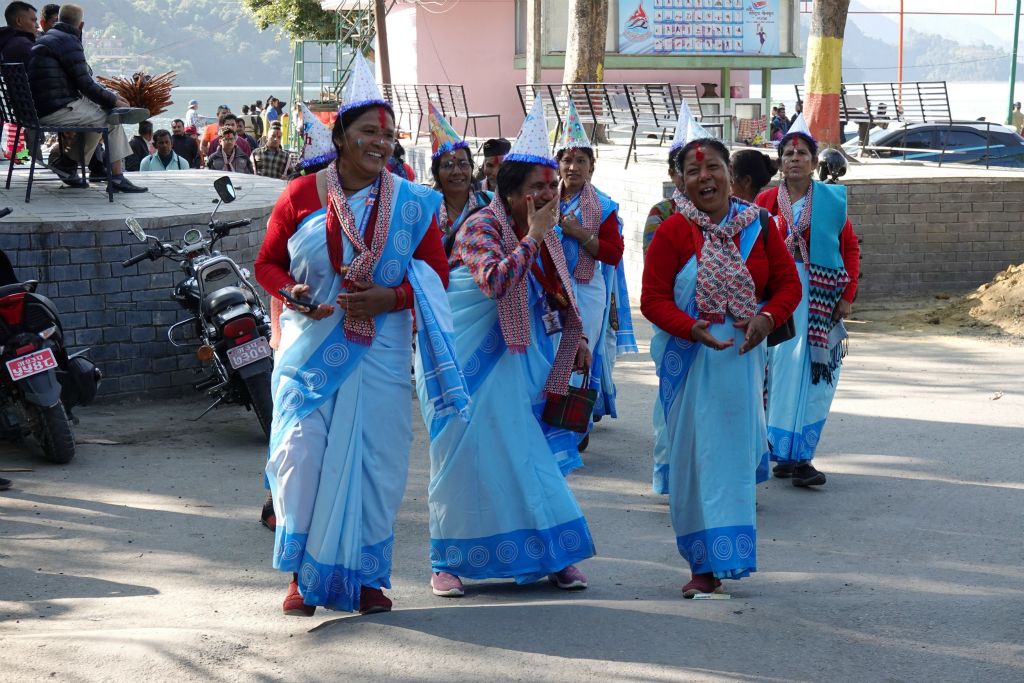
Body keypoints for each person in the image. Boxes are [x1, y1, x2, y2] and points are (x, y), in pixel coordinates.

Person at [255, 53, 464, 617]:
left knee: (376, 460)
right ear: (342, 135)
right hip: (309, 347)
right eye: (370, 131)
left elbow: (434, 276)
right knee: (300, 456)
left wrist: (390, 298)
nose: (382, 142)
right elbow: (267, 265)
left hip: (382, 349)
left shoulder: (415, 203)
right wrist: (291, 293)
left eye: (390, 134)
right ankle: (302, 576)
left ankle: (368, 577)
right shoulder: (299, 194)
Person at [417, 95, 594, 600]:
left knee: (528, 456)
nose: (549, 194)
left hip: (524, 359)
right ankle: (447, 562)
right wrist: (535, 237)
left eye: (551, 186)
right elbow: (496, 282)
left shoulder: (546, 231)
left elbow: (558, 289)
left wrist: (575, 339)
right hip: (466, 362)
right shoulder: (480, 227)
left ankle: (555, 555)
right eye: (538, 188)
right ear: (512, 194)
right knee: (461, 460)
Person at [641, 137, 801, 598]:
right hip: (691, 360)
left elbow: (788, 284)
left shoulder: (762, 226)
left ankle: (729, 556)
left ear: (732, 175)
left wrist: (767, 317)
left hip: (740, 361)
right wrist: (692, 328)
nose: (704, 177)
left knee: (727, 460)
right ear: (681, 181)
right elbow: (652, 298)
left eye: (713, 167)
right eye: (694, 172)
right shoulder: (673, 231)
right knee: (693, 462)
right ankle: (701, 567)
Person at [755, 120, 860, 488]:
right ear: (780, 162)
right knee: (778, 371)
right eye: (788, 153)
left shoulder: (832, 201)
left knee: (816, 378)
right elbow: (753, 250)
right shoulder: (765, 202)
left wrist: (846, 296)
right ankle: (781, 452)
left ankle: (802, 455)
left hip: (821, 295)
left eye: (802, 153)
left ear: (815, 162)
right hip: (779, 295)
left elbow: (848, 247)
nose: (795, 158)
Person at [555, 99, 634, 455]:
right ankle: (550, 416)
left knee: (579, 353)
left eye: (581, 161)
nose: (573, 167)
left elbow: (614, 254)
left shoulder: (603, 206)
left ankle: (577, 421)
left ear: (592, 167)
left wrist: (578, 234)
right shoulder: (542, 200)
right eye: (567, 160)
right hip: (549, 288)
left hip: (587, 290)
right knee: (550, 350)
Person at [27, 3, 147, 192]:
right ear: (81, 25)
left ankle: (68, 163)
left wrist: (108, 98)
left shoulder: (45, 39)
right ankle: (116, 178)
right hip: (55, 109)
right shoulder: (68, 41)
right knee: (112, 117)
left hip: (37, 109)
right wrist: (114, 100)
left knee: (101, 113)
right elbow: (86, 84)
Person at [427, 103, 490, 255]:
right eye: (448, 165)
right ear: (437, 173)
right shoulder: (427, 210)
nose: (457, 172)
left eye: (463, 164)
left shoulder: (489, 202)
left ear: (471, 168)